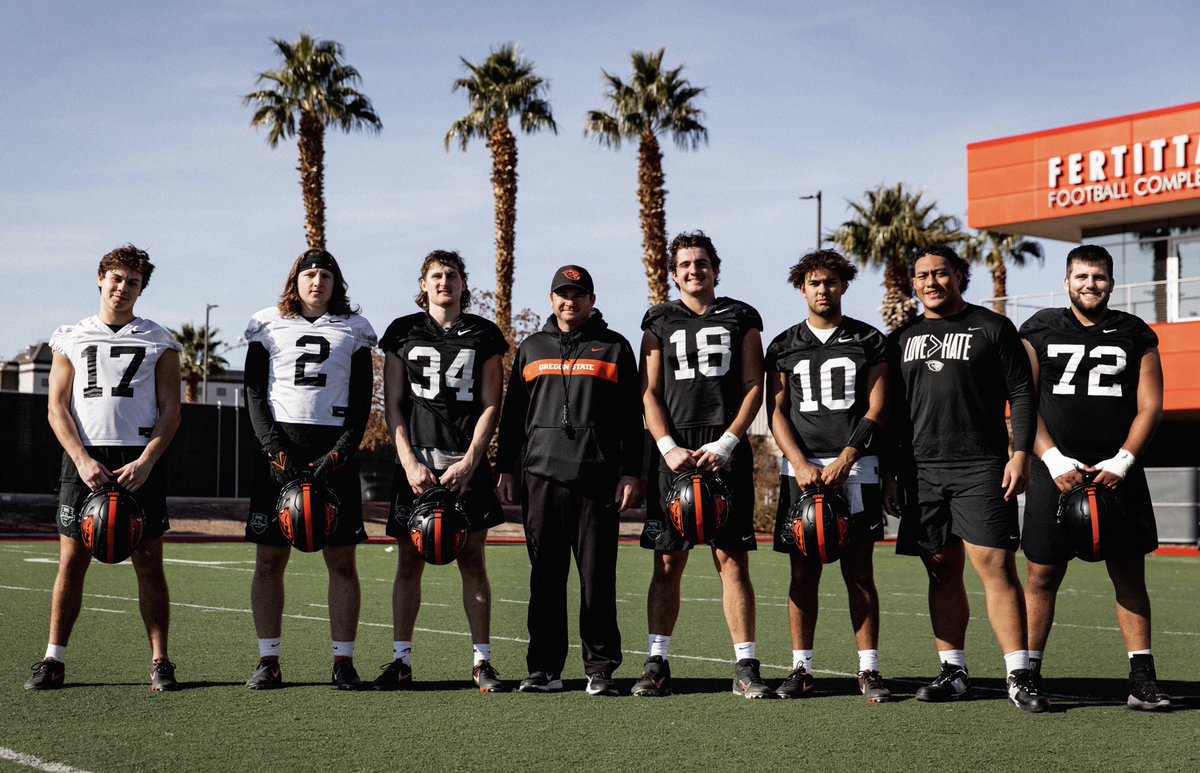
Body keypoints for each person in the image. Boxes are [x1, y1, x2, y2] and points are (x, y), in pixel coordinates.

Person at [883, 245, 1049, 712]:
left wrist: (1020, 453)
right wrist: (893, 472)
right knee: (940, 568)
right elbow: (893, 413)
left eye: (940, 273)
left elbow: (1022, 392)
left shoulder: (992, 326)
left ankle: (1020, 675)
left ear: (959, 275)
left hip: (981, 465)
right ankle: (953, 671)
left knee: (996, 565)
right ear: (913, 283)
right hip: (922, 470)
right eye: (922, 276)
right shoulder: (901, 338)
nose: (931, 282)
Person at [1019, 244, 1171, 711]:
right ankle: (1027, 675)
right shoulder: (1039, 328)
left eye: (1099, 277)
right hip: (1054, 470)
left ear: (1111, 283)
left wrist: (1122, 461)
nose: (1091, 284)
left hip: (1117, 471)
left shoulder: (1134, 332)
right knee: (1041, 574)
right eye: (1082, 276)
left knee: (1128, 572)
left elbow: (1151, 406)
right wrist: (1053, 459)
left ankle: (1142, 679)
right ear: (1066, 281)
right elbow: (1023, 402)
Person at [26, 245, 182, 692]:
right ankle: (53, 659)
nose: (123, 288)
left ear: (141, 289)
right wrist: (81, 459)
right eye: (116, 278)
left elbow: (172, 411)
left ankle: (160, 661)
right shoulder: (71, 336)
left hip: (138, 460)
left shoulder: (159, 340)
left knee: (149, 563)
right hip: (85, 459)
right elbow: (56, 407)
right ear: (100, 279)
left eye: (133, 282)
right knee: (72, 561)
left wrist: (147, 461)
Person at [631, 231, 770, 699]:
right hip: (675, 450)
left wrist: (729, 442)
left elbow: (754, 385)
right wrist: (666, 446)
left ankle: (746, 665)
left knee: (732, 560)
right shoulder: (658, 319)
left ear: (716, 269)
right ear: (674, 274)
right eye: (686, 264)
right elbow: (649, 391)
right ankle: (657, 662)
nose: (694, 270)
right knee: (668, 561)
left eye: (702, 263)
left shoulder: (742, 315)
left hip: (724, 447)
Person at [496, 265, 642, 696]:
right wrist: (505, 467)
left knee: (597, 580)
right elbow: (512, 416)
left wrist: (631, 471)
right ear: (551, 299)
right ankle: (544, 669)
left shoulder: (614, 347)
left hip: (597, 481)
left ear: (592, 300)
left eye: (578, 294)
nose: (569, 301)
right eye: (562, 294)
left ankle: (600, 669)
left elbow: (632, 419)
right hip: (540, 477)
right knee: (545, 578)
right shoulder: (531, 347)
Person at [374, 250, 508, 692]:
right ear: (423, 283)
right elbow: (393, 405)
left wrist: (471, 461)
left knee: (473, 560)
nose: (443, 282)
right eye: (436, 275)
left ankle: (482, 662)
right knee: (408, 562)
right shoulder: (402, 331)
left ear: (463, 283)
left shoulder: (484, 333)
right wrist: (409, 461)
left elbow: (492, 404)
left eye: (451, 275)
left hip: (465, 464)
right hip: (417, 465)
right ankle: (401, 661)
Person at [242, 248, 376, 690]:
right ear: (295, 281)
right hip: (279, 449)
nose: (317, 282)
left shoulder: (354, 328)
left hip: (333, 451)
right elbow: (254, 394)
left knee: (342, 561)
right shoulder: (266, 323)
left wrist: (339, 453)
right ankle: (268, 661)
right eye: (309, 274)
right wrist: (275, 451)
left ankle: (343, 661)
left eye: (325, 275)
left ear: (337, 284)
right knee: (268, 560)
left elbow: (360, 402)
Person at [764, 249, 891, 702]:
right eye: (814, 283)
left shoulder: (869, 338)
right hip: (801, 470)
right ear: (802, 288)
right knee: (803, 572)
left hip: (856, 468)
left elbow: (878, 407)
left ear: (844, 286)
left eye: (831, 282)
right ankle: (801, 668)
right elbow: (776, 411)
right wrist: (799, 462)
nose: (823, 290)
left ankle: (868, 669)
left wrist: (847, 457)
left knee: (859, 571)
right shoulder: (783, 344)